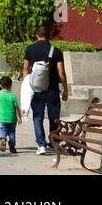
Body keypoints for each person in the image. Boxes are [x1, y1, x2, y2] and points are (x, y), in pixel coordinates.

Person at [21, 24, 67, 156]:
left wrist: (27, 84)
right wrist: (65, 89)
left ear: (36, 35)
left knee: (38, 117)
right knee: (54, 117)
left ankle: (41, 145)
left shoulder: (30, 49)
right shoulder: (56, 50)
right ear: (48, 35)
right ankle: (53, 143)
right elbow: (61, 72)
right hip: (52, 89)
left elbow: (25, 69)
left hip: (36, 89)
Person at [0, 76, 19, 154]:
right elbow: (16, 108)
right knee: (12, 132)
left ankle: (3, 138)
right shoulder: (13, 96)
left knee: (3, 130)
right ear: (10, 85)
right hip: (12, 118)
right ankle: (12, 146)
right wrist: (19, 117)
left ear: (1, 85)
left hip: (2, 118)